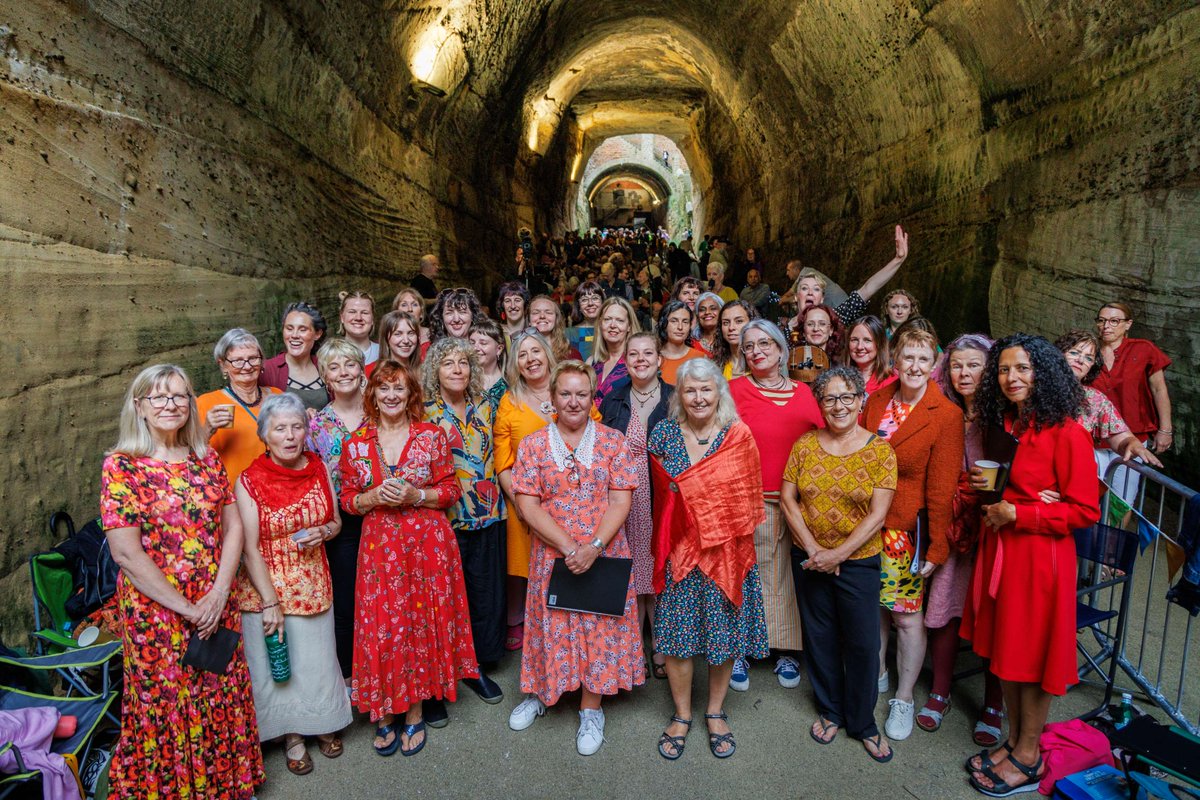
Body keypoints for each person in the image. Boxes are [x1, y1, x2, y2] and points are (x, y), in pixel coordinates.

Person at [100, 364, 263, 798]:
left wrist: (220, 592)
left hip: (215, 600)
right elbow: (126, 554)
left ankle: (224, 785)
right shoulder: (123, 467)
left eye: (179, 396)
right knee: (168, 702)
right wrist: (190, 609)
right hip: (159, 614)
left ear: (191, 404)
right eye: (159, 397)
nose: (171, 404)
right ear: (140, 407)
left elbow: (233, 529)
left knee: (218, 691)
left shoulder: (206, 458)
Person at [962, 334, 1101, 796]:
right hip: (1003, 550)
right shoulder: (1007, 424)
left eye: (1022, 368)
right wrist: (993, 497)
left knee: (1033, 656)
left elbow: (1085, 510)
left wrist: (1022, 512)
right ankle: (1015, 741)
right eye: (1003, 369)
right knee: (1009, 654)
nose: (1011, 378)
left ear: (1043, 372)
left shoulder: (1067, 431)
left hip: (1041, 559)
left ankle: (1029, 756)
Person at [338, 361, 477, 757]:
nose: (392, 395)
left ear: (410, 393)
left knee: (417, 624)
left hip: (426, 545)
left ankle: (414, 710)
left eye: (399, 388)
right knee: (382, 625)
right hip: (380, 547)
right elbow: (347, 499)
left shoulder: (431, 436)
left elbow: (450, 489)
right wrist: (370, 498)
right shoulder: (357, 444)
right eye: (384, 389)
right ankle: (384, 712)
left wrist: (417, 496)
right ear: (373, 396)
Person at [506, 361, 644, 756]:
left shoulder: (612, 441)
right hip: (554, 552)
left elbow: (621, 499)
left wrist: (593, 547)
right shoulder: (532, 445)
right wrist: (569, 547)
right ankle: (542, 694)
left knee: (596, 628)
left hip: (603, 550)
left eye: (581, 394)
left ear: (591, 398)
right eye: (565, 393)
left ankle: (590, 710)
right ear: (552, 399)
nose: (573, 401)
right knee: (551, 623)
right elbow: (528, 505)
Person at [649, 358, 769, 760]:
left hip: (726, 554)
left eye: (706, 389)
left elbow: (748, 496)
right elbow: (660, 497)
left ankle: (715, 712)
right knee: (679, 642)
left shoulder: (738, 434)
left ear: (719, 392)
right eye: (690, 390)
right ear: (679, 395)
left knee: (724, 637)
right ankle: (682, 714)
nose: (698, 397)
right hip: (681, 552)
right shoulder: (664, 433)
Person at [779, 365, 898, 764]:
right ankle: (830, 710)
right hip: (809, 559)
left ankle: (863, 722)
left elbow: (877, 516)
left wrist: (838, 555)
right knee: (820, 638)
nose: (839, 405)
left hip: (858, 562)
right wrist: (814, 550)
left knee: (863, 643)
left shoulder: (880, 451)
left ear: (861, 400)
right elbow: (787, 499)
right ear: (820, 404)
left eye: (847, 396)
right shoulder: (805, 444)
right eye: (829, 398)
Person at [235, 393, 353, 775]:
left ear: (306, 431)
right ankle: (291, 736)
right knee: (277, 669)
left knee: (317, 661)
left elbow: (335, 522)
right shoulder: (249, 480)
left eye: (297, 426)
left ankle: (320, 724)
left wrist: (323, 531)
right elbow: (249, 547)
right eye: (280, 428)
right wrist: (270, 601)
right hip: (265, 587)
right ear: (264, 434)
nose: (289, 435)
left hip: (313, 580)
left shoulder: (318, 467)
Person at [861, 327, 964, 742]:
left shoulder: (946, 414)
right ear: (896, 361)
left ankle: (904, 696)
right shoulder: (877, 400)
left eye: (924, 359)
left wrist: (938, 545)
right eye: (909, 358)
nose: (916, 367)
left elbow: (941, 487)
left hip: (904, 530)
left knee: (906, 616)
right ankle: (879, 674)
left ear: (934, 364)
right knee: (873, 610)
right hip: (864, 524)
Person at [728, 320, 824, 691]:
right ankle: (740, 648)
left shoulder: (805, 393)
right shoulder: (734, 390)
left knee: (790, 574)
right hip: (750, 499)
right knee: (747, 573)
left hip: (800, 503)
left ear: (782, 350)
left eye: (765, 343)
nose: (757, 351)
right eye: (749, 347)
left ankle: (786, 649)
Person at [422, 337, 507, 713]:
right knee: (444, 601)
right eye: (447, 363)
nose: (457, 369)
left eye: (463, 362)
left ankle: (475, 667)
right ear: (434, 371)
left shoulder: (487, 406)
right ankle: (439, 676)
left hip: (488, 514)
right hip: (445, 519)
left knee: (484, 596)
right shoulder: (424, 412)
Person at [599, 333, 674, 679]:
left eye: (648, 353)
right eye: (633, 354)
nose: (641, 359)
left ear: (660, 359)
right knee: (630, 574)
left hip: (662, 499)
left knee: (658, 575)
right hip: (623, 499)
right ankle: (633, 646)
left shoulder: (675, 399)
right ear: (625, 361)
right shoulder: (613, 401)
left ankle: (660, 644)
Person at [306, 338, 367, 686]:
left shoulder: (381, 411)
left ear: (361, 369)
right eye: (334, 367)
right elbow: (315, 476)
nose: (344, 372)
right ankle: (348, 678)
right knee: (346, 602)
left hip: (383, 516)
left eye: (350, 364)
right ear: (325, 377)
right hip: (343, 522)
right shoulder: (317, 424)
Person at [495, 332, 560, 651]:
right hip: (524, 499)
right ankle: (519, 620)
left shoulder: (567, 389)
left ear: (548, 354)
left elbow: (594, 428)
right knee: (523, 565)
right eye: (522, 354)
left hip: (568, 501)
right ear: (515, 364)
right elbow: (502, 459)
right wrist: (518, 500)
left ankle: (559, 618)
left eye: (536, 351)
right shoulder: (510, 401)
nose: (531, 358)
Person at [1090, 302, 1173, 501]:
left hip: (1133, 436)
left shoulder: (1143, 349)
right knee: (1090, 494)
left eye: (1114, 321)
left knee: (1122, 499)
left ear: (1128, 324)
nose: (1106, 326)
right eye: (1101, 321)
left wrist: (1165, 429)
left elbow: (1159, 389)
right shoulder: (1087, 352)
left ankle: (1114, 532)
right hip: (1093, 437)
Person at [1055, 329, 1161, 471]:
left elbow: (1120, 436)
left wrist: (1132, 443)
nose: (1080, 360)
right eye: (1074, 353)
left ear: (1091, 367)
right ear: (1058, 355)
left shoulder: (1094, 400)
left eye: (1088, 358)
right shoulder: (1033, 387)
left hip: (1072, 472)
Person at [197, 328, 283, 484]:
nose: (247, 366)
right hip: (234, 498)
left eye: (253, 358)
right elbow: (186, 457)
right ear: (223, 365)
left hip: (279, 489)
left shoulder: (278, 396)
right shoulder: (207, 403)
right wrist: (207, 430)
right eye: (237, 361)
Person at [792, 225, 909, 324]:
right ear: (796, 296)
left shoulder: (834, 319)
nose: (810, 292)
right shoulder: (785, 329)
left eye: (816, 289)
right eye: (804, 288)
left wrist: (898, 260)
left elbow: (867, 289)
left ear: (822, 298)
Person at [260, 301, 329, 411]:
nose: (294, 335)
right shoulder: (267, 369)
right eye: (289, 328)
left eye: (303, 329)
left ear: (317, 334)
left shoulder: (326, 366)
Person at [591, 297, 640, 405]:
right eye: (607, 319)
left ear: (629, 326)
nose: (613, 325)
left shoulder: (638, 362)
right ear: (600, 323)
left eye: (620, 320)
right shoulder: (591, 362)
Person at [843, 316, 897, 399]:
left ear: (879, 344)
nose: (859, 347)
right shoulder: (838, 379)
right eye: (854, 340)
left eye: (867, 340)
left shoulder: (892, 382)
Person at [657, 300, 707, 385]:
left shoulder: (700, 358)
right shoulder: (654, 358)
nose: (680, 327)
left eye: (685, 322)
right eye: (674, 321)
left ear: (690, 326)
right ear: (663, 324)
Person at [711, 300, 759, 380]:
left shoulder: (763, 361)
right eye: (726, 323)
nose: (731, 328)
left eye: (739, 321)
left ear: (751, 323)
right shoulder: (715, 365)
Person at [469, 316, 509, 410]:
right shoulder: (464, 379)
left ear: (499, 349)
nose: (475, 348)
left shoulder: (510, 382)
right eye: (472, 343)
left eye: (483, 343)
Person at [368, 310, 421, 377]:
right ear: (386, 338)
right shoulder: (371, 371)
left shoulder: (427, 372)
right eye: (398, 334)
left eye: (411, 333)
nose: (406, 340)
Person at [530, 294, 582, 361]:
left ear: (556, 319)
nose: (542, 316)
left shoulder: (572, 355)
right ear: (529, 320)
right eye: (536, 313)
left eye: (548, 312)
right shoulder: (520, 354)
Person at [338, 291, 379, 365]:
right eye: (352, 312)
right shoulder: (329, 355)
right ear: (342, 317)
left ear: (372, 319)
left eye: (365, 313)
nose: (358, 318)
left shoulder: (384, 353)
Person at [567, 281, 604, 360]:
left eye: (595, 298)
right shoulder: (570, 334)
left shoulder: (611, 330)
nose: (590, 303)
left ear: (603, 302)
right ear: (579, 306)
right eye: (584, 300)